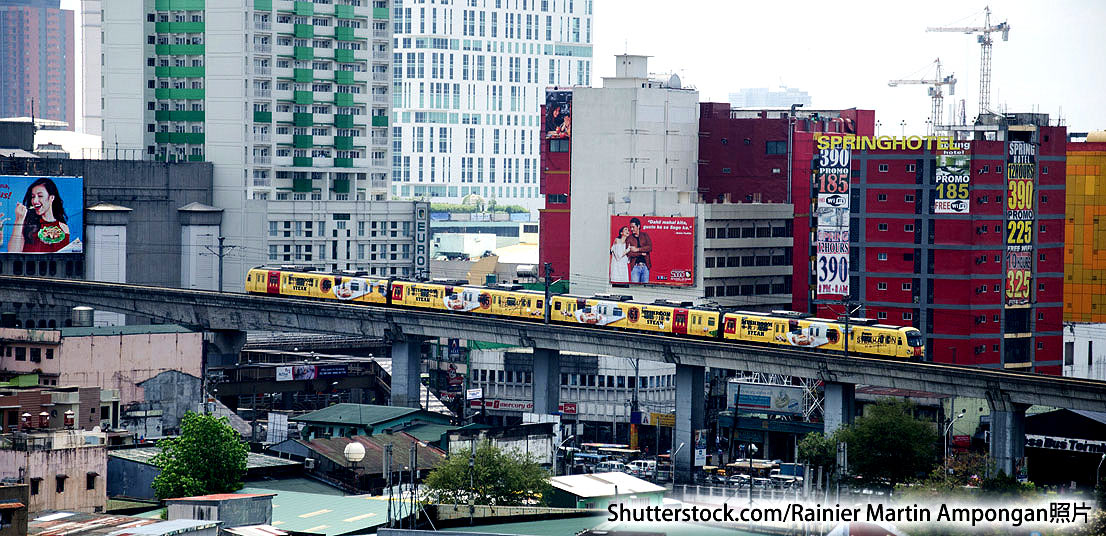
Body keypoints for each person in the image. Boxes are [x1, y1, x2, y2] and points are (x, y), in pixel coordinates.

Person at [8, 178, 70, 253]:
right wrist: (19, 219)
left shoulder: (63, 228)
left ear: (51, 198)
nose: (35, 201)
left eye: (40, 196)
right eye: (33, 196)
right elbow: (12, 252)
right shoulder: (27, 223)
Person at [626, 217, 653, 283]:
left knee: (645, 289)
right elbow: (629, 253)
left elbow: (649, 247)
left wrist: (637, 249)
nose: (632, 229)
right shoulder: (629, 238)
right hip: (635, 267)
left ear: (638, 226)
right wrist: (641, 253)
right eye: (631, 227)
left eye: (633, 227)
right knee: (635, 290)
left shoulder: (645, 235)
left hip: (645, 267)